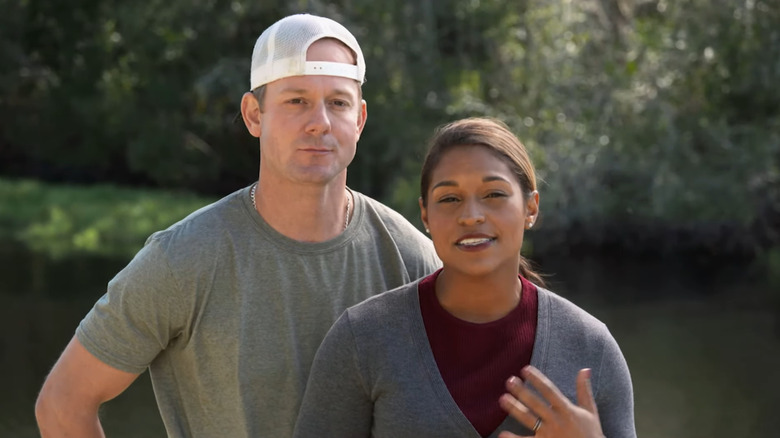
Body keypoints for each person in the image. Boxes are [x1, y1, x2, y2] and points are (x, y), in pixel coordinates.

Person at [34, 13, 440, 438]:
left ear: (359, 120)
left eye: (338, 102)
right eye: (296, 100)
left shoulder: (411, 258)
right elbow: (63, 405)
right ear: (253, 115)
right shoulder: (183, 260)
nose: (319, 121)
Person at [293, 117, 636, 438]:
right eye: (450, 198)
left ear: (531, 208)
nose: (471, 216)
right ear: (425, 214)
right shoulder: (363, 340)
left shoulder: (591, 348)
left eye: (494, 195)